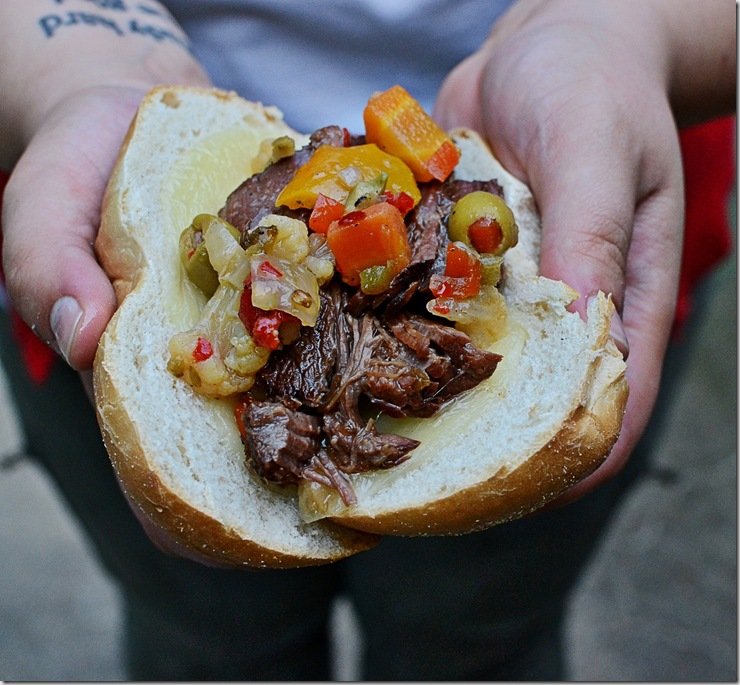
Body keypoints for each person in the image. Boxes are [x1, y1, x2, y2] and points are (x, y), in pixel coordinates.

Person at [0, 0, 734, 679]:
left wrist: (630, 32)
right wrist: (71, 68)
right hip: (92, 138)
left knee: (480, 642)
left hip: (586, 155)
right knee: (206, 641)